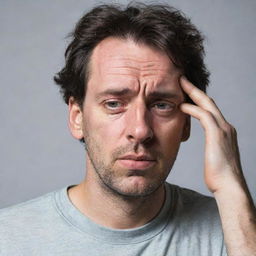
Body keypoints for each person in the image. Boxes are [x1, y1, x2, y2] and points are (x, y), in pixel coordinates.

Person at [0, 3, 255, 256]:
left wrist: (230, 187)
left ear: (187, 123)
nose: (141, 130)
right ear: (77, 117)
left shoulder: (235, 231)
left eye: (162, 105)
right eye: (114, 104)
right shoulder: (7, 239)